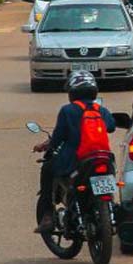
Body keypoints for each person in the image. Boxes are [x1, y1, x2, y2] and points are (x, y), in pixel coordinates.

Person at [32, 71, 116, 233]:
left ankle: (47, 216)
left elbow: (58, 137)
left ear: (72, 91)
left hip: (75, 160)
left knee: (47, 169)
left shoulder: (68, 110)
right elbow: (111, 126)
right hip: (103, 158)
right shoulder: (101, 110)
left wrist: (47, 147)